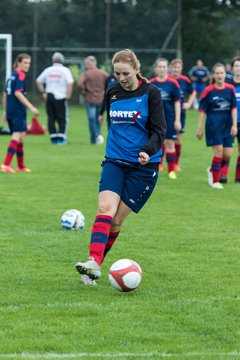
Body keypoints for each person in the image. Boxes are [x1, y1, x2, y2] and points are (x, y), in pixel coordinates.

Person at [75, 49, 166, 285]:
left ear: (136, 69)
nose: (121, 78)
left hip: (143, 167)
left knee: (116, 221)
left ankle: (95, 265)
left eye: (125, 73)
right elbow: (113, 125)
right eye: (117, 74)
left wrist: (147, 150)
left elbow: (159, 130)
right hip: (115, 161)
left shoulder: (151, 93)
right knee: (105, 208)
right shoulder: (113, 92)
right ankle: (93, 262)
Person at [196, 63, 237, 189]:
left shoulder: (230, 89)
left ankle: (213, 169)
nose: (219, 75)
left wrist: (234, 125)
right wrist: (199, 128)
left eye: (222, 73)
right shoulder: (209, 90)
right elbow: (202, 110)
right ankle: (215, 181)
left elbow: (234, 108)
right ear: (213, 75)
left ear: (226, 74)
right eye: (217, 73)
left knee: (228, 154)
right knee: (218, 151)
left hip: (227, 126)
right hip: (213, 126)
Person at [1, 53, 39, 173]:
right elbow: (18, 93)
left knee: (21, 136)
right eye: (25, 63)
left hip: (11, 110)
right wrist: (31, 107)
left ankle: (20, 166)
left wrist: (6, 111)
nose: (27, 65)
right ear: (18, 63)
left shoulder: (11, 76)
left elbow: (5, 94)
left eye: (29, 63)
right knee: (17, 136)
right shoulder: (20, 75)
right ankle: (6, 164)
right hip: (18, 110)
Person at [149, 58, 181, 179]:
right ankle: (155, 167)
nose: (162, 69)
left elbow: (177, 102)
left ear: (167, 69)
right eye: (159, 67)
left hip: (169, 118)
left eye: (164, 67)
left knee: (170, 144)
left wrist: (177, 120)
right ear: (155, 69)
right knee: (154, 144)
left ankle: (171, 171)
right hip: (154, 120)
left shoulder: (173, 83)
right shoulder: (151, 83)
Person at [36, 52, 74, 144]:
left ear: (53, 60)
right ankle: (61, 138)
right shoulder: (65, 70)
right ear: (62, 61)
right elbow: (70, 83)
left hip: (49, 96)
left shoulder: (48, 70)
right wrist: (68, 95)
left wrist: (43, 93)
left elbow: (38, 81)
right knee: (62, 118)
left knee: (51, 117)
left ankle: (53, 138)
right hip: (61, 97)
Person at [170, 58, 196, 171]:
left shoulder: (185, 80)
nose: (176, 69)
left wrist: (189, 103)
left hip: (180, 113)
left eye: (178, 67)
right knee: (163, 138)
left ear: (181, 68)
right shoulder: (167, 79)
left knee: (177, 139)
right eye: (174, 67)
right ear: (171, 68)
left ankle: (175, 164)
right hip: (165, 112)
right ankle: (160, 163)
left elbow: (193, 92)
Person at [77, 56, 109, 144]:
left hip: (89, 98)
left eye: (87, 64)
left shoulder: (86, 74)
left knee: (91, 119)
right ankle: (97, 134)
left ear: (89, 64)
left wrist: (83, 92)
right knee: (98, 118)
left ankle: (93, 138)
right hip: (101, 99)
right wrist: (106, 92)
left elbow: (79, 84)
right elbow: (111, 81)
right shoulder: (103, 73)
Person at [230, 56, 240, 182]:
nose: (238, 68)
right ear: (232, 68)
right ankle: (221, 175)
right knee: (227, 152)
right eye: (236, 66)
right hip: (230, 122)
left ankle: (238, 177)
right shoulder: (228, 84)